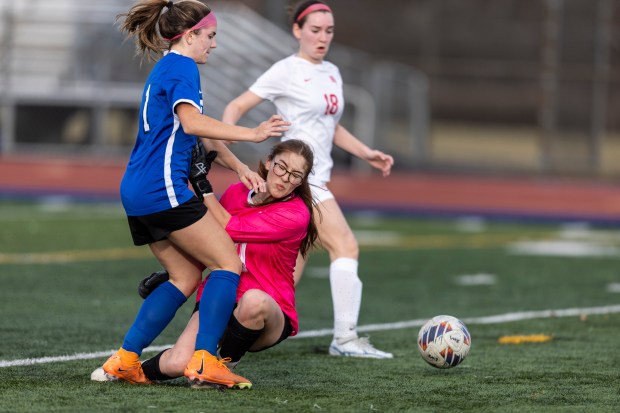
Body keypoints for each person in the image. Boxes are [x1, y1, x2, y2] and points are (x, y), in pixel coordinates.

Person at [101, 0, 290, 389]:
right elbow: (192, 120)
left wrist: (237, 166)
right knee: (227, 266)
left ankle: (125, 359)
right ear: (190, 36)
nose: (214, 44)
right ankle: (204, 361)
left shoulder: (167, 66)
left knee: (185, 275)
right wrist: (254, 134)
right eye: (210, 36)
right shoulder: (185, 67)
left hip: (136, 190)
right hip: (162, 189)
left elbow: (192, 131)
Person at [222, 0, 394, 358]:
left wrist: (366, 153)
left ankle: (231, 332)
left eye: (328, 30)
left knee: (285, 273)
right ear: (297, 30)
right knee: (345, 245)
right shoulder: (286, 70)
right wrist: (238, 150)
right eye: (315, 30)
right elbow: (235, 107)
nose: (323, 37)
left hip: (319, 179)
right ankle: (345, 339)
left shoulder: (331, 71)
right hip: (301, 180)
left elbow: (331, 126)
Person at [93, 139, 317, 387]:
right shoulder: (236, 192)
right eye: (281, 167)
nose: (285, 178)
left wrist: (202, 184)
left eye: (296, 175)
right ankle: (128, 370)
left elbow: (227, 226)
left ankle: (222, 366)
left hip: (269, 311)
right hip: (220, 295)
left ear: (302, 181)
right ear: (268, 163)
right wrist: (172, 273)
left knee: (254, 301)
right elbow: (210, 242)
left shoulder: (296, 214)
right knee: (178, 363)